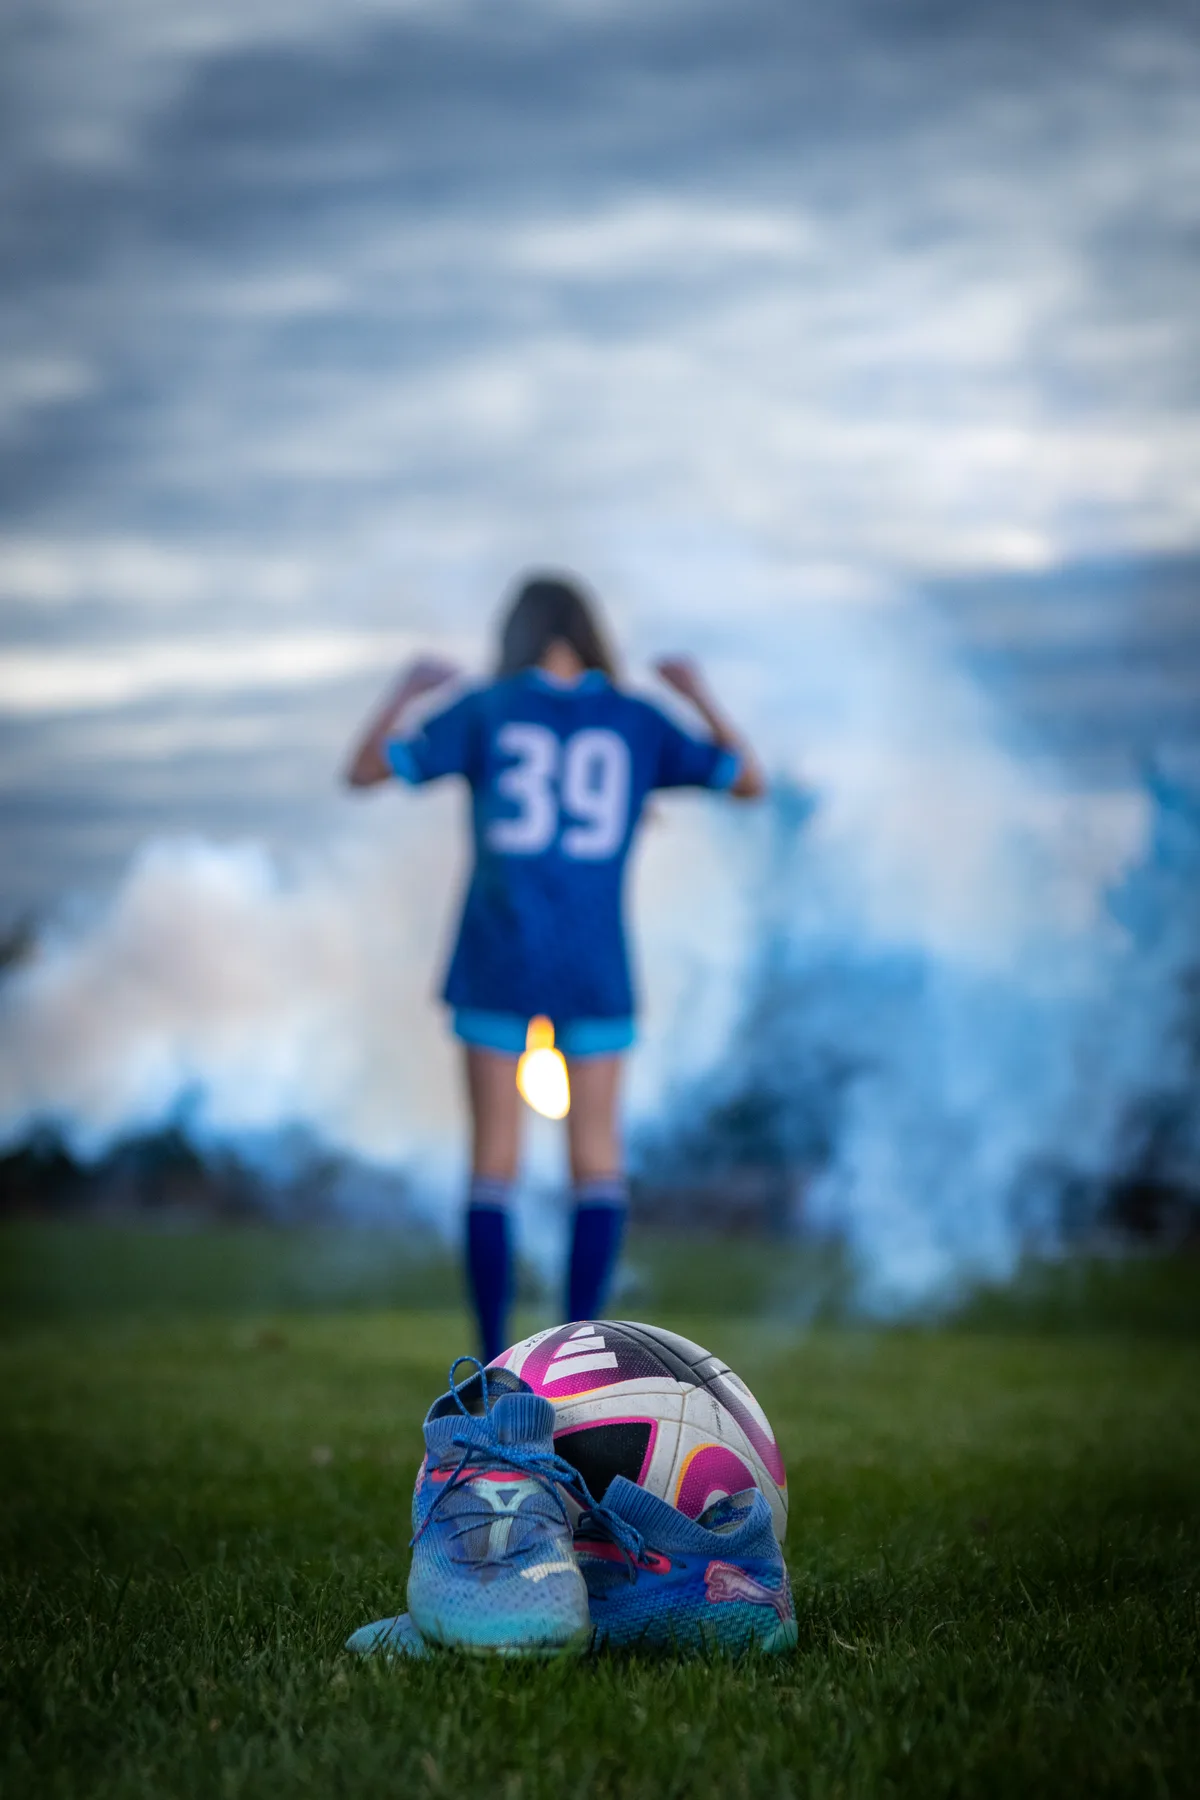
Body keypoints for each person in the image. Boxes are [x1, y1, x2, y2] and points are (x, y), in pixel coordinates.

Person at [344, 572, 765, 1361]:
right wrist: (699, 694)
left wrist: (406, 688)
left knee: (493, 1161)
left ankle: (495, 1357)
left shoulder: (487, 708)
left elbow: (362, 772)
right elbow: (748, 781)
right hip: (594, 962)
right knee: (597, 1159)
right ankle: (580, 1356)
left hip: (496, 953)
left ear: (517, 633)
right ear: (587, 630)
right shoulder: (636, 719)